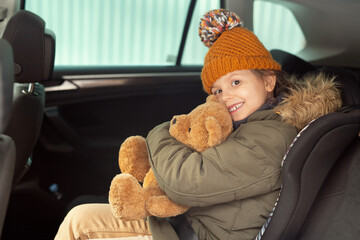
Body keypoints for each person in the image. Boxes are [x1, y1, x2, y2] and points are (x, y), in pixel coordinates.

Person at [55, 9, 301, 240]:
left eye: (236, 82)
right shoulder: (241, 124)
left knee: (80, 227)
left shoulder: (272, 136)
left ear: (268, 82)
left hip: (194, 235)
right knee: (79, 217)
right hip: (179, 223)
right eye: (216, 90)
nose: (225, 96)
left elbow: (185, 184)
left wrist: (160, 133)